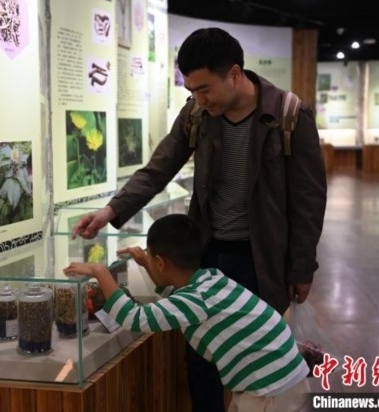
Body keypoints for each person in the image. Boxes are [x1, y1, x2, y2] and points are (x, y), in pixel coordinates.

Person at [72, 27, 326, 411]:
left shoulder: (289, 114)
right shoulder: (197, 114)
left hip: (261, 258)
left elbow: (309, 199)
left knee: (251, 351)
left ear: (235, 74)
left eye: (205, 89)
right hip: (206, 254)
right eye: (191, 90)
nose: (199, 99)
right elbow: (159, 168)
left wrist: (302, 267)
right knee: (200, 355)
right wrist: (111, 210)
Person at [64, 214, 309, 412]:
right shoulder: (211, 279)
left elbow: (134, 318)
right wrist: (148, 263)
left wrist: (100, 272)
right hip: (281, 373)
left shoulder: (195, 300)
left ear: (161, 262)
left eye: (150, 257)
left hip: (269, 386)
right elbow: (176, 297)